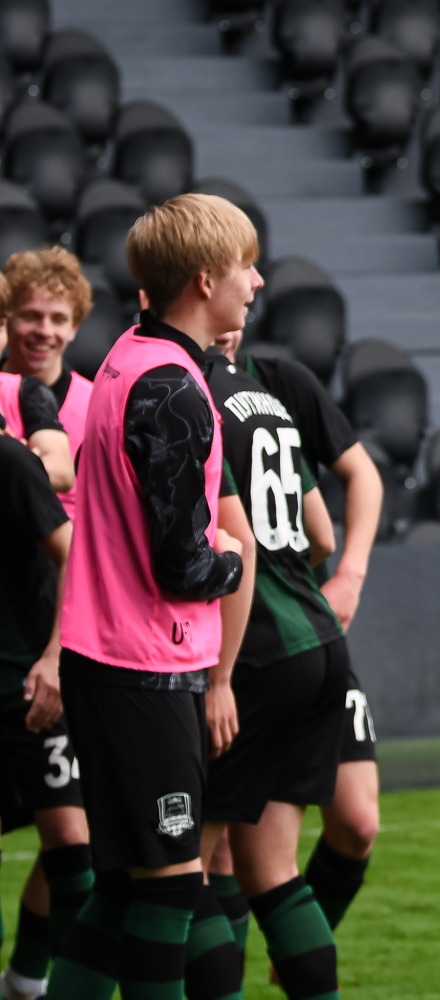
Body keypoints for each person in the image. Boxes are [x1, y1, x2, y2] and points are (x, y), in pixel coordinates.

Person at [48, 193, 258, 1000]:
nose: (257, 281)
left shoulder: (127, 356)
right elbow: (184, 566)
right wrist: (232, 557)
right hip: (143, 667)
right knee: (170, 889)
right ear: (205, 280)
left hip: (107, 660)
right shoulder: (172, 387)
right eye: (245, 266)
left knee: (122, 889)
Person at [203, 326, 385, 958]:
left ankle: (291, 963)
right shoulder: (189, 381)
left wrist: (349, 577)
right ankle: (280, 968)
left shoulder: (279, 382)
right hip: (260, 643)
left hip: (293, 634)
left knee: (356, 822)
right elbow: (315, 531)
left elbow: (361, 481)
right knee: (236, 854)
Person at [190, 339, 346, 1000]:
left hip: (253, 651)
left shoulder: (184, 390)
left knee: (182, 871)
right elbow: (323, 537)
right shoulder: (263, 398)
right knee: (271, 869)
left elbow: (231, 541)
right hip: (320, 643)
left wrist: (220, 674)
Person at [0, 416, 85, 1000]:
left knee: (73, 841)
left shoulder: (9, 461)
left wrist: (55, 658)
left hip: (28, 685)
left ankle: (39, 981)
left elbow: (72, 553)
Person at [1, 248, 97, 518]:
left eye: (59, 319)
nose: (44, 331)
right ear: (7, 320)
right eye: (31, 315)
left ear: (75, 327)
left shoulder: (97, 403)